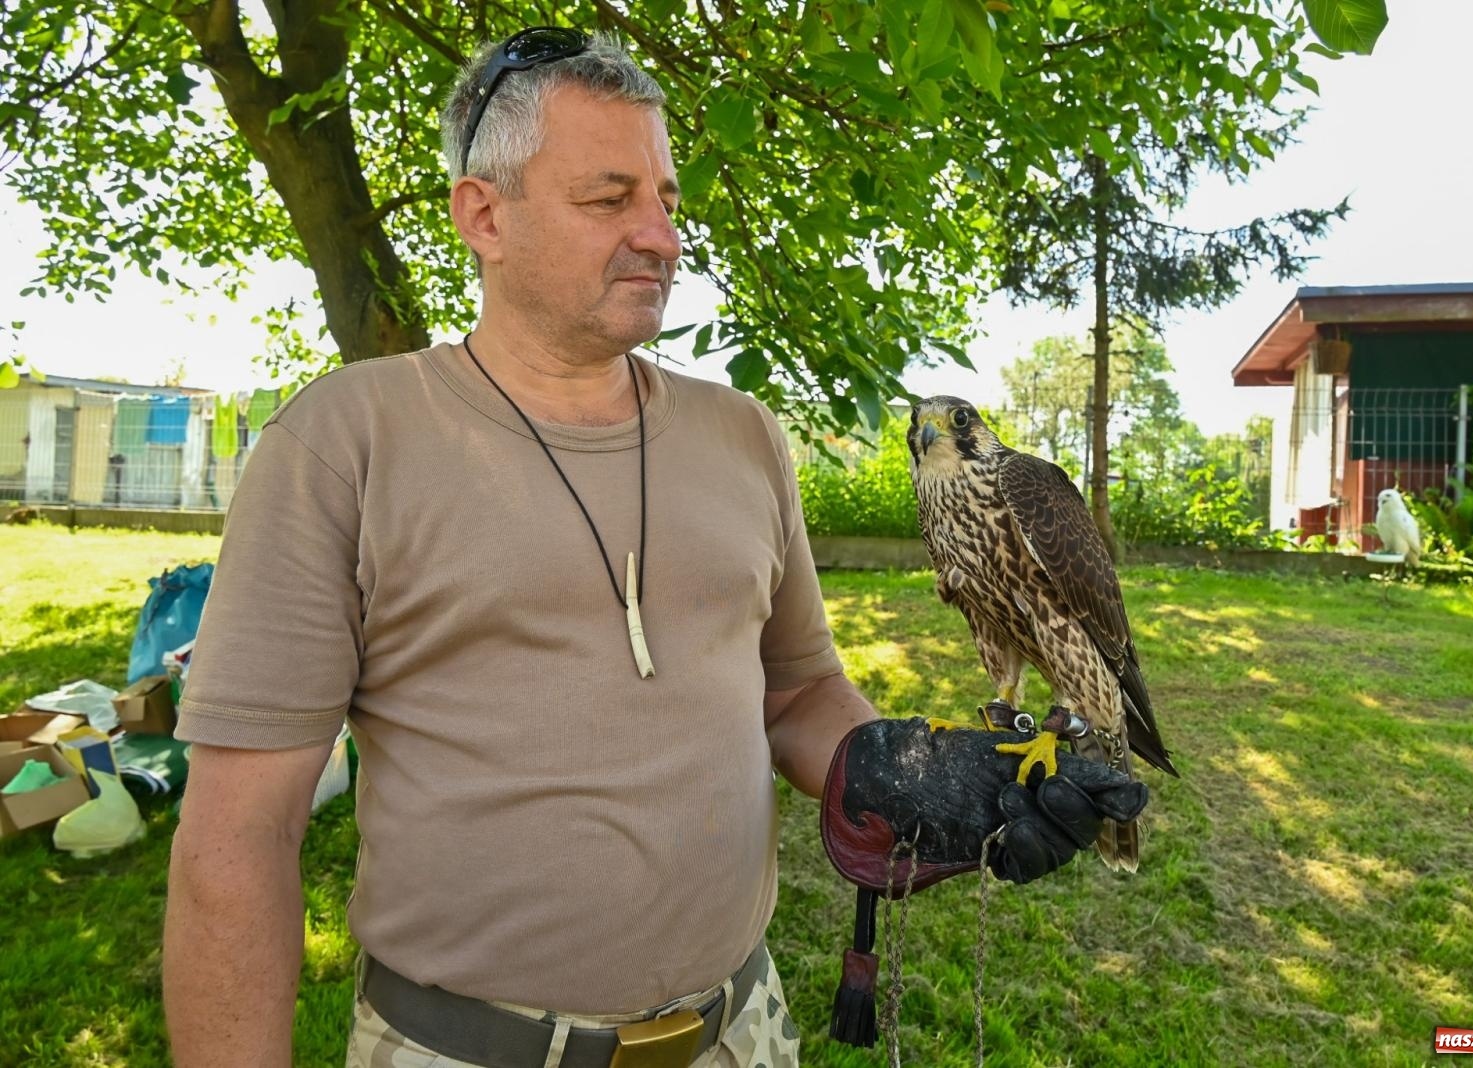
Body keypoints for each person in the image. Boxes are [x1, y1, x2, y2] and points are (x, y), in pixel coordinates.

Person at [162, 29, 1134, 1068]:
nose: (662, 236)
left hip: (738, 1037)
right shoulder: (342, 443)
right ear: (481, 215)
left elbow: (798, 693)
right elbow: (236, 839)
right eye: (609, 198)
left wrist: (900, 772)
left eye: (666, 200)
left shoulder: (745, 435)